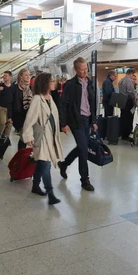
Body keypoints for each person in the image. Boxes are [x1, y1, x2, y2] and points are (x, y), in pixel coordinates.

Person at [22, 73, 63, 205]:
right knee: (46, 164)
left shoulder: (50, 98)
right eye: (51, 81)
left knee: (41, 162)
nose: (54, 83)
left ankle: (35, 185)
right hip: (42, 137)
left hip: (51, 136)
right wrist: (27, 136)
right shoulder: (37, 99)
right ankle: (50, 194)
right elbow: (29, 120)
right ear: (45, 83)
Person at [58, 57, 97, 192]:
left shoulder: (90, 83)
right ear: (75, 70)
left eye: (86, 68)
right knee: (83, 149)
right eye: (82, 69)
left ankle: (64, 164)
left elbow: (93, 102)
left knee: (82, 147)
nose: (85, 71)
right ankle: (84, 179)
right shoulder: (70, 85)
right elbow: (62, 105)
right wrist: (63, 124)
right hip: (76, 120)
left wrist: (94, 120)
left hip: (87, 119)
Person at [10, 68, 32, 149]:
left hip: (28, 116)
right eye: (26, 75)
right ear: (21, 77)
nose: (28, 77)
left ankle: (20, 155)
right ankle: (20, 156)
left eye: (29, 75)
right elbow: (10, 103)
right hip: (18, 116)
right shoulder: (14, 87)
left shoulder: (30, 87)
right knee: (24, 136)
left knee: (24, 137)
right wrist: (9, 116)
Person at [0, 71, 13, 136]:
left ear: (10, 77)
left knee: (9, 124)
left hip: (10, 108)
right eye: (3, 76)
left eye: (6, 76)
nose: (4, 77)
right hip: (2, 108)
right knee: (2, 122)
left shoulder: (14, 87)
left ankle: (6, 139)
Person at [118, 69, 137, 140]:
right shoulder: (128, 80)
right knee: (128, 118)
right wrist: (134, 99)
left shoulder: (121, 80)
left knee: (123, 118)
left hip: (122, 101)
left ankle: (123, 133)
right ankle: (126, 134)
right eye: (132, 75)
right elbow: (130, 92)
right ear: (130, 74)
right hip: (128, 102)